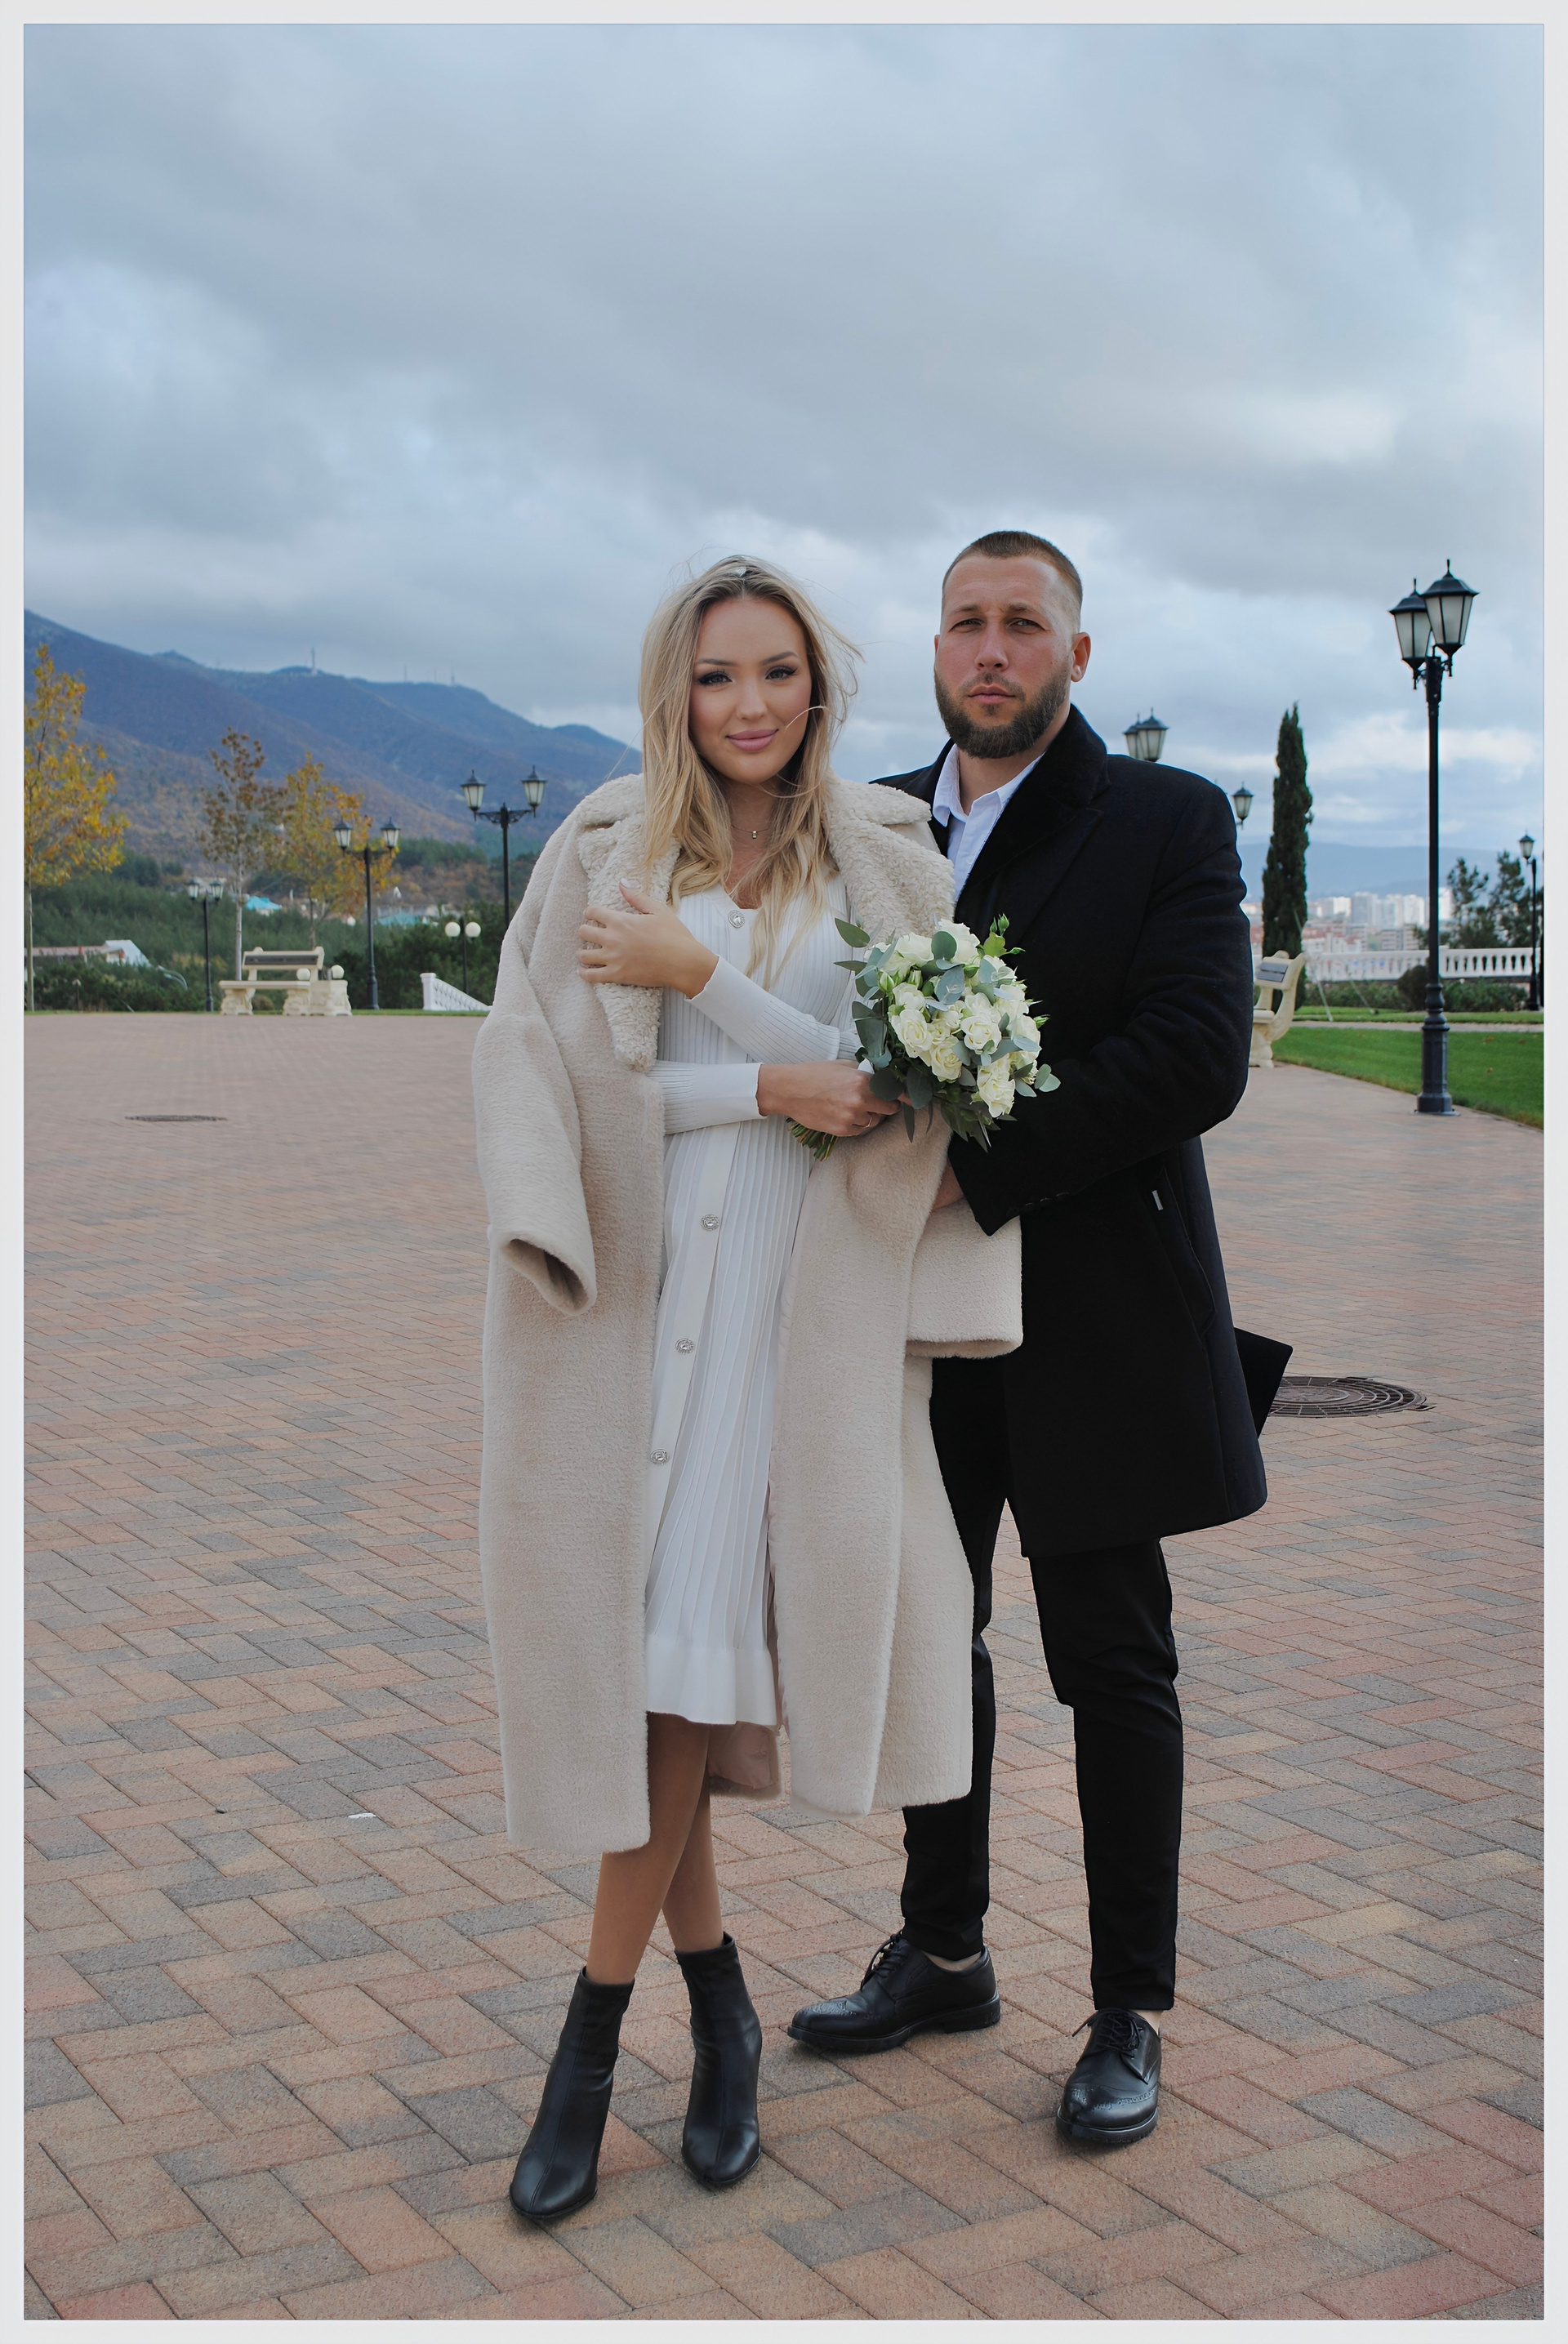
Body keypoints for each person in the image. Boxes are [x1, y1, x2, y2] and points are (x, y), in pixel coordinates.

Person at [470, 555, 1021, 2223]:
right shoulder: (601, 850)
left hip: (792, 1318)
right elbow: (563, 1083)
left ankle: (588, 2046)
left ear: (818, 683)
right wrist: (754, 1082)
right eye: (717, 675)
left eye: (777, 670)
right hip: (635, 1310)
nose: (750, 703)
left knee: (681, 1681)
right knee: (656, 1685)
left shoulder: (887, 859)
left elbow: (878, 1094)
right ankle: (714, 2013)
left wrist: (708, 987)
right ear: (677, 691)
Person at [787, 530, 1267, 2149]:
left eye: (1021, 624)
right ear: (935, 648)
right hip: (914, 1318)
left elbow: (1194, 1055)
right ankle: (942, 1948)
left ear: (1076, 650)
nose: (989, 649)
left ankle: (1130, 2004)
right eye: (964, 624)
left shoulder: (1167, 819)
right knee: (934, 1633)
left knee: (1111, 1659)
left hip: (1094, 1312)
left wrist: (974, 1160)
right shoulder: (869, 820)